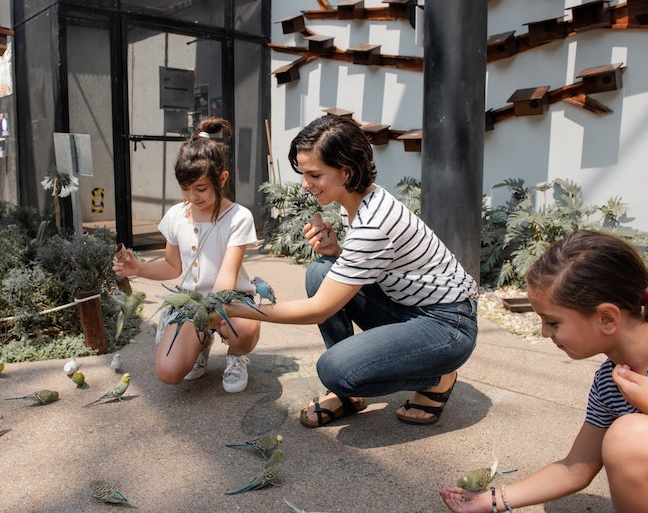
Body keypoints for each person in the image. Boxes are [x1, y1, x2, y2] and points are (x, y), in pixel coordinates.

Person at [223, 115, 479, 427]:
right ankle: (348, 394)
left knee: (336, 371)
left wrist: (235, 309)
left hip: (448, 326)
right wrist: (338, 253)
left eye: (314, 174)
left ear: (346, 171)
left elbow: (319, 310)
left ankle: (436, 377)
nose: (306, 184)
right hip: (410, 308)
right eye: (304, 174)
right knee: (321, 271)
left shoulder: (374, 222)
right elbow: (375, 265)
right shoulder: (358, 202)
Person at [439, 229, 648, 512]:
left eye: (552, 322)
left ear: (607, 318)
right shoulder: (609, 381)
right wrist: (492, 500)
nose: (544, 332)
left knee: (630, 436)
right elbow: (576, 468)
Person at [112, 117, 261, 393]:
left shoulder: (238, 217)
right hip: (191, 302)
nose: (192, 196)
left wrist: (210, 315)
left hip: (229, 298)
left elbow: (226, 278)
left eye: (201, 189)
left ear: (222, 179)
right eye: (185, 189)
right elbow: (172, 267)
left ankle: (236, 356)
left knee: (245, 328)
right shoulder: (176, 215)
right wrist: (138, 268)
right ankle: (201, 343)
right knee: (168, 373)